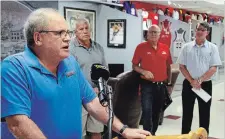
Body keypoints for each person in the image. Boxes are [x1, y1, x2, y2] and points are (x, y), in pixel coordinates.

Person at [1, 8, 151, 139]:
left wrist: (123, 130)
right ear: (38, 38)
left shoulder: (70, 63)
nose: (67, 37)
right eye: (59, 33)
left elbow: (92, 102)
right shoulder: (14, 68)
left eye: (68, 32)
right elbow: (17, 123)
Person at [177, 21, 222, 134]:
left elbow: (213, 68)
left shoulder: (212, 48)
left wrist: (200, 80)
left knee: (204, 113)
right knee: (187, 113)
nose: (200, 32)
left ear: (207, 32)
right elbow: (182, 66)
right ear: (195, 31)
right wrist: (192, 81)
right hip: (189, 84)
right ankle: (185, 136)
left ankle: (203, 136)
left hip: (205, 85)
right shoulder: (186, 47)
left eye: (203, 30)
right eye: (198, 29)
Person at [69, 18, 107, 139]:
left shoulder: (98, 48)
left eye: (87, 28)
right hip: (78, 96)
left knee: (97, 131)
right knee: (79, 133)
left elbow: (104, 70)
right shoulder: (70, 49)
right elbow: (70, 74)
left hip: (97, 95)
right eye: (81, 29)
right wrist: (88, 88)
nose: (85, 31)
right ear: (75, 32)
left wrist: (100, 87)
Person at [132, 25, 173, 135]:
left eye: (156, 32)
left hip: (161, 85)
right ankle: (147, 135)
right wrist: (143, 71)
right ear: (147, 34)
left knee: (157, 112)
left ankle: (152, 134)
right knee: (147, 112)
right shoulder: (140, 47)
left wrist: (169, 83)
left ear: (160, 34)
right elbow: (134, 66)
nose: (153, 34)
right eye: (151, 32)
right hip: (147, 85)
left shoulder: (165, 48)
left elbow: (169, 66)